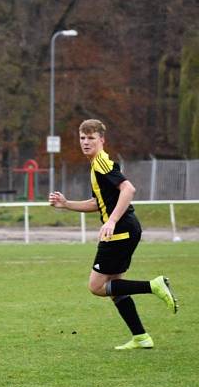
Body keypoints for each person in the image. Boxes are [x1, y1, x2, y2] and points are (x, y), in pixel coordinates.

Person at [49, 119, 178, 350]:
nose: (86, 142)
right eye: (82, 138)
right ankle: (141, 337)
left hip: (120, 230)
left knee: (96, 286)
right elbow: (98, 203)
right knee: (115, 287)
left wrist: (112, 221)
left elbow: (128, 189)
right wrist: (67, 204)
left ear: (102, 140)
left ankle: (154, 285)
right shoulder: (97, 165)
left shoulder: (101, 163)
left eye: (91, 138)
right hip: (127, 228)